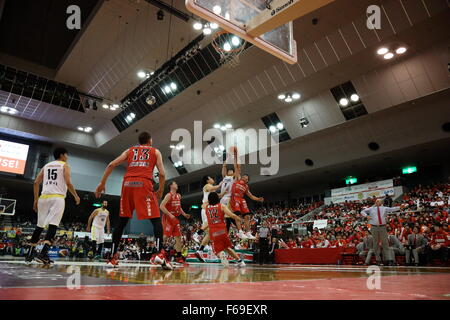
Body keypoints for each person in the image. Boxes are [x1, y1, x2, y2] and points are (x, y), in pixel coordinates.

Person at [95, 132, 171, 269]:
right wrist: (160, 189)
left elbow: (111, 164)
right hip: (144, 184)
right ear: (150, 140)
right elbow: (162, 173)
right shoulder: (155, 151)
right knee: (155, 219)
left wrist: (102, 183)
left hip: (127, 184)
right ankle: (160, 254)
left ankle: (112, 258)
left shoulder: (129, 150)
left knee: (122, 220)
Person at [25, 147, 80, 265]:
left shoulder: (46, 166)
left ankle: (30, 253)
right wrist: (75, 195)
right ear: (62, 155)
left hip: (43, 197)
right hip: (57, 198)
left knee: (39, 226)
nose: (67, 157)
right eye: (67, 155)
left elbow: (36, 183)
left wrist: (35, 200)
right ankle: (43, 253)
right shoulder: (65, 165)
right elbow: (68, 182)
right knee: (53, 226)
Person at [202, 192, 245, 267]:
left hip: (214, 231)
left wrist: (201, 229)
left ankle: (221, 254)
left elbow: (208, 222)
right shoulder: (222, 206)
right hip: (222, 230)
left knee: (217, 251)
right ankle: (240, 261)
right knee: (227, 248)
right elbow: (231, 215)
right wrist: (237, 218)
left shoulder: (206, 208)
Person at [229, 149, 264, 239]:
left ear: (247, 180)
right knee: (238, 216)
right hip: (235, 198)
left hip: (242, 199)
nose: (244, 177)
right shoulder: (237, 179)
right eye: (243, 176)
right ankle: (240, 232)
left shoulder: (246, 187)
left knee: (247, 216)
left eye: (246, 177)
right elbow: (237, 167)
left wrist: (258, 199)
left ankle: (248, 232)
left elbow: (251, 196)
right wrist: (236, 157)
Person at [360, 199, 402, 266]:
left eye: (378, 201)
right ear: (375, 203)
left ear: (381, 202)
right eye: (376, 201)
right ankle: (378, 260)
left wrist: (400, 207)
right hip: (374, 227)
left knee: (385, 243)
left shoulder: (384, 208)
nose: (377, 202)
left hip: (382, 227)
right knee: (375, 244)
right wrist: (366, 216)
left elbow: (392, 209)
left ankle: (389, 259)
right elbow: (362, 211)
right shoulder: (371, 209)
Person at [160, 181, 190, 264]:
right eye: (175, 184)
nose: (177, 185)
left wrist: (184, 214)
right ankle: (159, 253)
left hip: (175, 218)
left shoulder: (178, 195)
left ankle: (179, 257)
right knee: (165, 236)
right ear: (171, 186)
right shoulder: (169, 195)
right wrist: (170, 215)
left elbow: (179, 207)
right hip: (168, 218)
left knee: (178, 237)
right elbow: (161, 206)